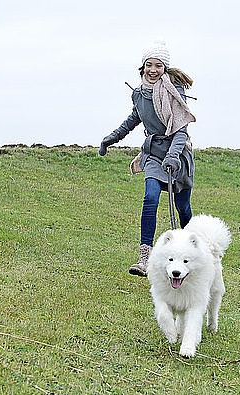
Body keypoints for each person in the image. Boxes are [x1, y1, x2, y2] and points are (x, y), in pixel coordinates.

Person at [98, 40, 196, 277]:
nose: (153, 70)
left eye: (158, 66)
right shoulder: (139, 94)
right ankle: (145, 258)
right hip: (153, 154)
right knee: (150, 197)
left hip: (178, 155)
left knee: (182, 208)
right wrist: (110, 139)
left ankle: (195, 252)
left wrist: (173, 156)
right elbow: (133, 119)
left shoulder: (175, 91)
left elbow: (181, 130)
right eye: (148, 65)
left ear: (165, 68)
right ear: (142, 67)